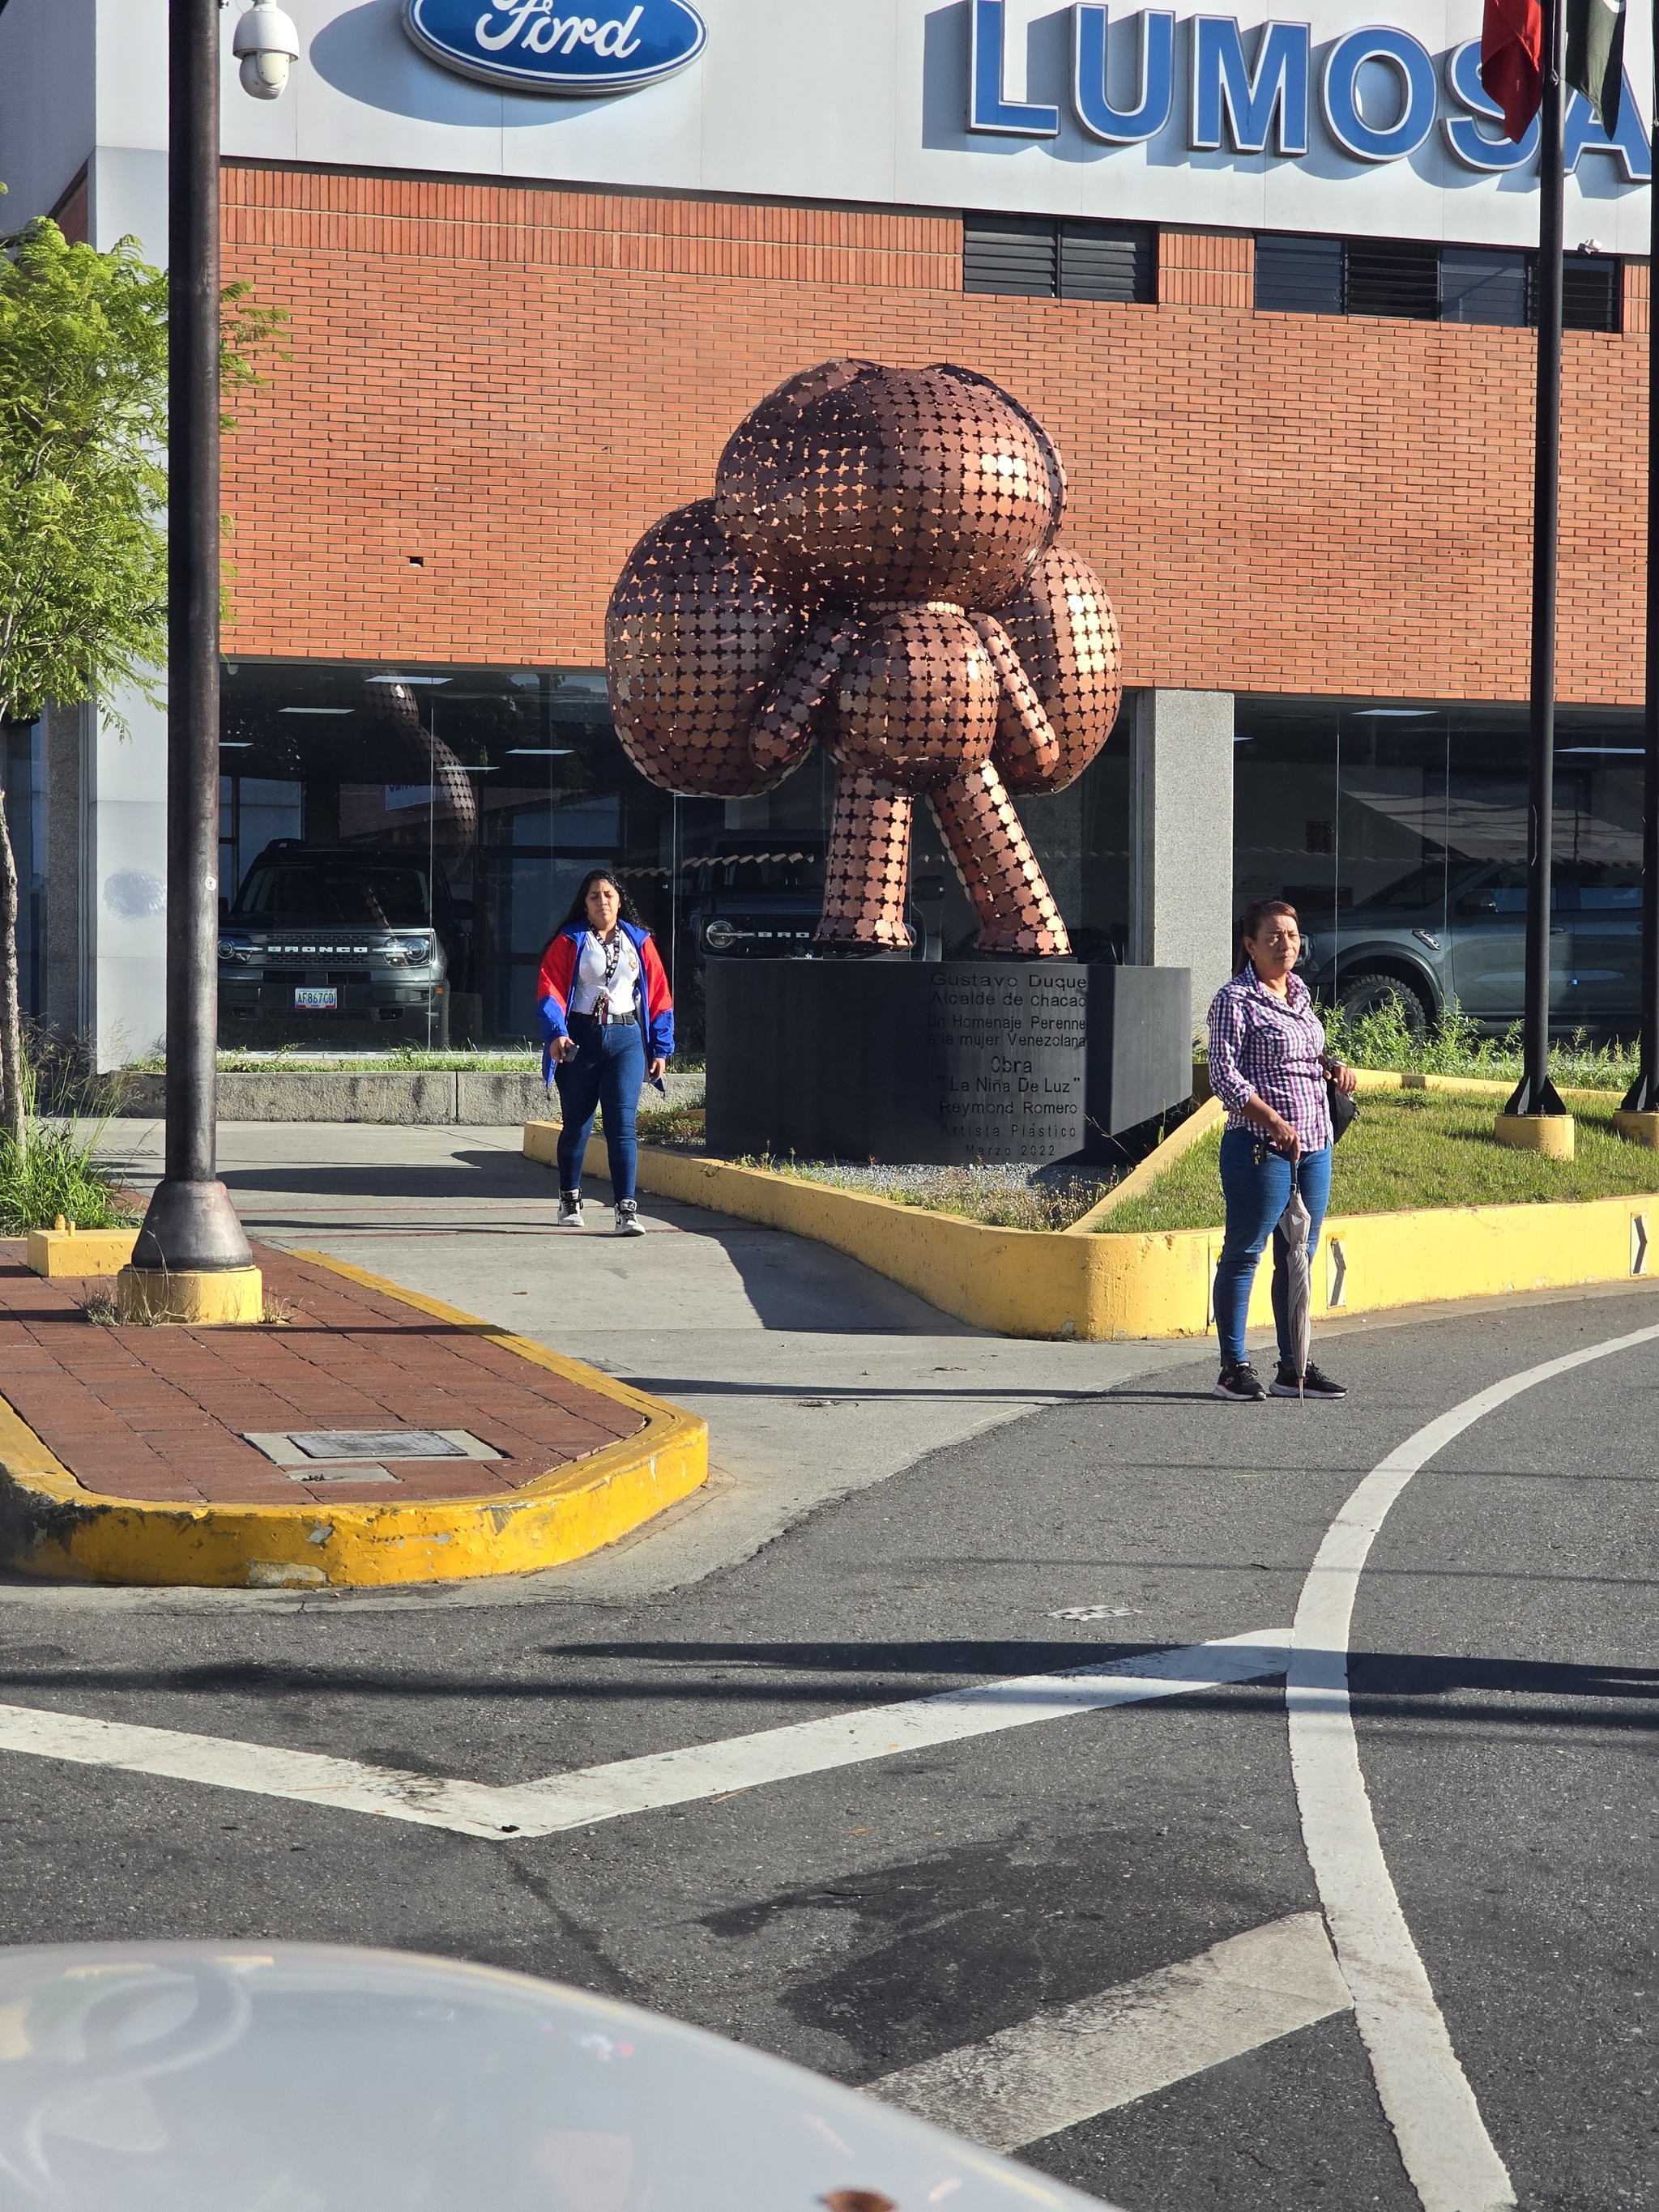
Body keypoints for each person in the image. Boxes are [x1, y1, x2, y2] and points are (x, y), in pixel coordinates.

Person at [1206, 896, 1359, 1403]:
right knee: (1245, 1253)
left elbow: (1302, 1054)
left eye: (1292, 935)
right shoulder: (1235, 1000)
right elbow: (1223, 1075)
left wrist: (1331, 1067)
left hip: (1315, 1144)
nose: (1284, 944)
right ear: (1250, 945)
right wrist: (1270, 1120)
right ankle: (1234, 1366)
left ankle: (1294, 1364)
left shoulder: (1298, 994)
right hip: (1260, 1148)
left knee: (1299, 1256)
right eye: (1272, 936)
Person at [537, 869, 674, 1237]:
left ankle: (626, 1210)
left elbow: (660, 995)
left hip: (627, 1038)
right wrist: (557, 1033)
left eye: (609, 895)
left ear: (619, 900)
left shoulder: (639, 942)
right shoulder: (570, 940)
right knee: (577, 1126)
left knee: (622, 1126)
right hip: (580, 1039)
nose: (603, 901)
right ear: (585, 903)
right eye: (595, 896)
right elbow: (550, 989)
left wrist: (660, 1047)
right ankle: (570, 1198)